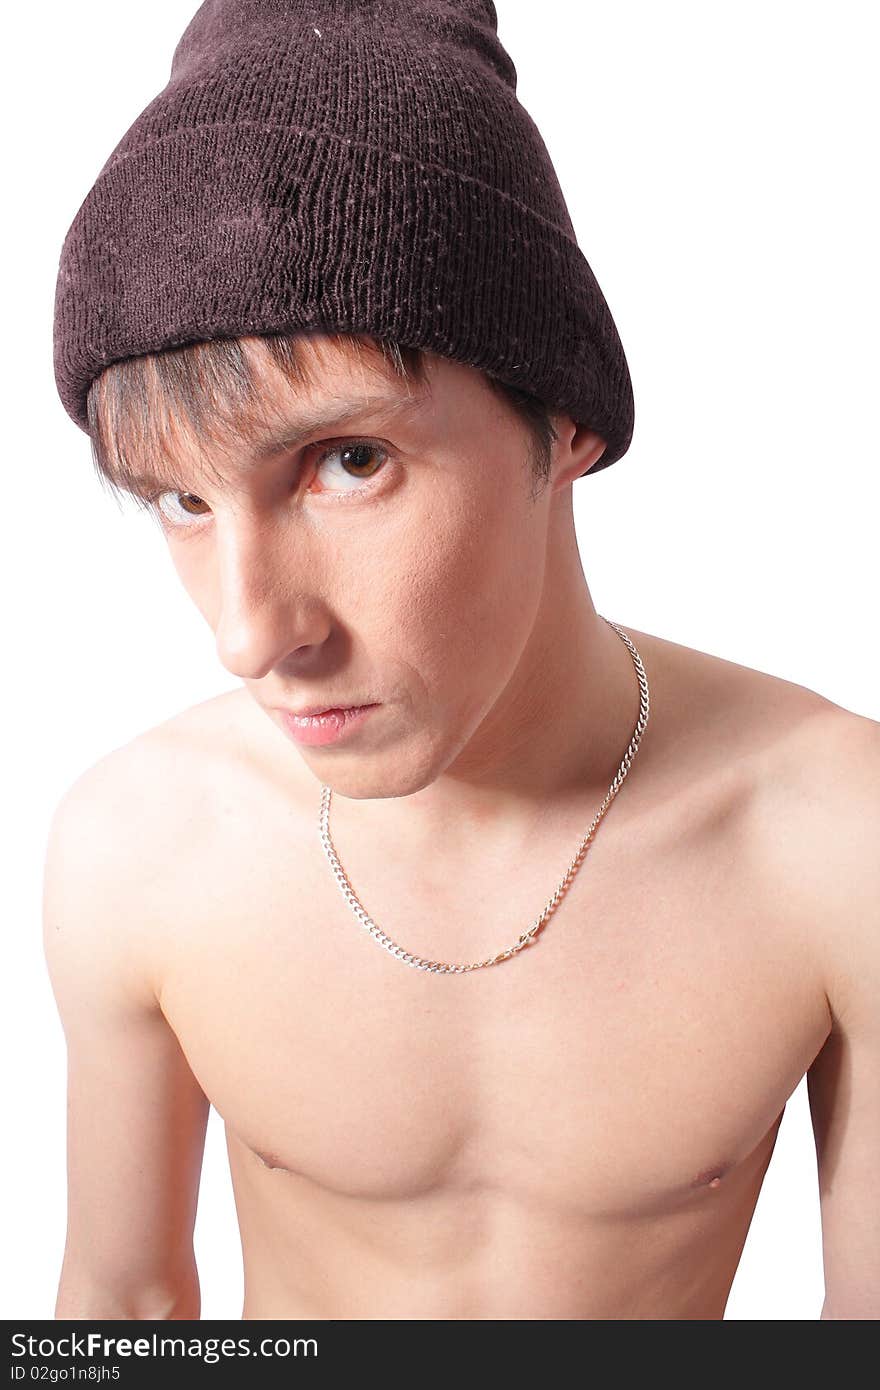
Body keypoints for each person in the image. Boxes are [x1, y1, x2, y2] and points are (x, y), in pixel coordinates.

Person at [45, 0, 879, 1321]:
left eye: (349, 463)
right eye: (182, 501)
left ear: (564, 421)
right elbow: (123, 1312)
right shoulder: (139, 847)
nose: (253, 633)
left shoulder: (838, 839)